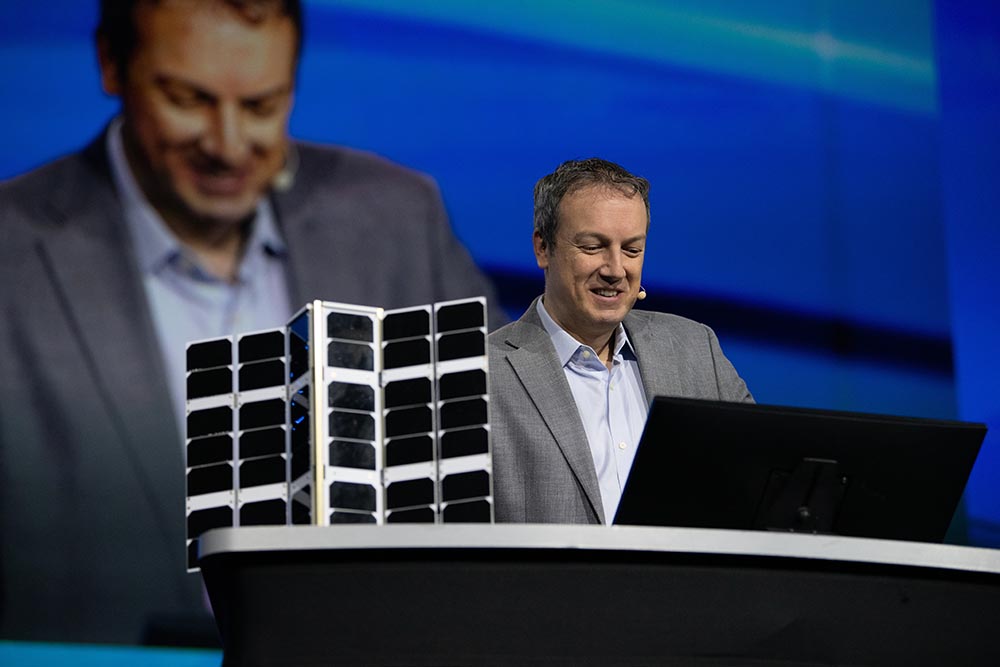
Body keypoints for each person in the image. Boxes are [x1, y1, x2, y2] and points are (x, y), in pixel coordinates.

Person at [0, 0, 501, 644]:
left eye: (263, 106)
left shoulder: (397, 220)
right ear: (110, 64)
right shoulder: (12, 253)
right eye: (188, 99)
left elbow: (518, 440)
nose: (229, 145)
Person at [490, 158, 752, 524]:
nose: (615, 270)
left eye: (631, 250)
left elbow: (759, 481)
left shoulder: (696, 349)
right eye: (593, 246)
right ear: (543, 248)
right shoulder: (482, 376)